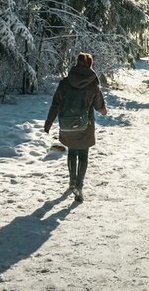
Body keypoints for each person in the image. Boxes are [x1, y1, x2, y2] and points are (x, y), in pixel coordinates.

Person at [44, 52, 107, 202]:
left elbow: (55, 103)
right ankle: (79, 185)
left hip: (67, 125)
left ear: (76, 63)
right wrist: (104, 111)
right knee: (83, 155)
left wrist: (48, 123)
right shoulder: (93, 83)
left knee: (72, 152)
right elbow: (99, 106)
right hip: (86, 125)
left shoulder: (65, 82)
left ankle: (72, 182)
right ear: (90, 64)